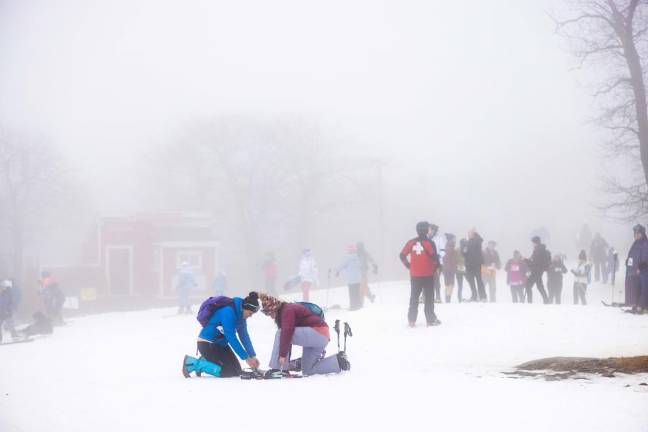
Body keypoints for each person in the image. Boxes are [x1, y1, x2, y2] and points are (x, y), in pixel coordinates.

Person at [259, 293, 349, 375]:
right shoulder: (286, 311)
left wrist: (282, 358)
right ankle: (338, 361)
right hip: (321, 337)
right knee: (307, 370)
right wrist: (284, 362)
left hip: (317, 332)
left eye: (270, 313)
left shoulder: (287, 310)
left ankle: (277, 370)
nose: (270, 317)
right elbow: (286, 340)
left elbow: (286, 334)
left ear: (275, 308)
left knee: (280, 333)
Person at [182, 292, 261, 378]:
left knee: (236, 371)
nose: (251, 316)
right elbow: (231, 337)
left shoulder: (241, 317)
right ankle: (192, 364)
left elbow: (244, 337)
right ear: (245, 308)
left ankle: (206, 359)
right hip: (207, 343)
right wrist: (246, 358)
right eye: (250, 313)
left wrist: (252, 356)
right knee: (227, 371)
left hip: (220, 345)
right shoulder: (228, 312)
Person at [400, 221, 441, 327]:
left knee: (414, 297)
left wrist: (409, 266)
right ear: (427, 230)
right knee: (429, 298)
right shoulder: (430, 243)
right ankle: (430, 319)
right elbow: (435, 259)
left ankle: (411, 320)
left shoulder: (411, 242)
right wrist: (434, 268)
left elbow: (402, 255)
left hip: (414, 275)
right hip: (428, 274)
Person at [625, 224, 648, 313]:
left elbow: (645, 256)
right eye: (635, 234)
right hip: (634, 271)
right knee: (634, 286)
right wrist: (628, 261)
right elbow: (631, 255)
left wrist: (642, 266)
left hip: (643, 270)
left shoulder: (645, 243)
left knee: (644, 287)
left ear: (642, 234)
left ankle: (642, 305)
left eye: (638, 233)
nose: (636, 235)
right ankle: (635, 303)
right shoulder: (635, 244)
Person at [336, 244, 364, 310]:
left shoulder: (347, 257)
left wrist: (337, 271)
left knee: (352, 293)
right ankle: (358, 305)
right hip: (357, 278)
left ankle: (353, 306)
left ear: (348, 250)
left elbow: (341, 265)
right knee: (357, 292)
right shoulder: (358, 257)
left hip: (351, 279)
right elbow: (361, 265)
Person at [524, 236, 550, 304]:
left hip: (536, 271)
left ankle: (530, 302)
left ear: (535, 242)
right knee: (539, 286)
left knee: (528, 285)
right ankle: (546, 301)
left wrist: (525, 260)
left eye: (533, 242)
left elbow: (534, 263)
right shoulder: (540, 249)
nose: (532, 244)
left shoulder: (538, 251)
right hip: (539, 271)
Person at [463, 228, 486, 302]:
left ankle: (483, 296)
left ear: (474, 234)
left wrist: (476, 233)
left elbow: (480, 240)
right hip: (469, 265)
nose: (468, 235)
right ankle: (474, 296)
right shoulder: (468, 242)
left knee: (479, 280)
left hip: (476, 264)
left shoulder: (477, 240)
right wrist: (464, 251)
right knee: (471, 281)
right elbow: (464, 254)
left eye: (470, 233)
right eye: (468, 233)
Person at [428, 224, 446, 303]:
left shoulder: (439, 239)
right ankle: (424, 296)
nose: (429, 231)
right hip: (427, 262)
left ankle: (438, 296)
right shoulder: (425, 238)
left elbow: (443, 251)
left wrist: (438, 256)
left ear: (434, 231)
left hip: (437, 263)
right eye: (429, 230)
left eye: (431, 230)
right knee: (426, 279)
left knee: (436, 279)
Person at [442, 234, 459, 303]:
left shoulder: (447, 246)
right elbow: (450, 258)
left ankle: (447, 298)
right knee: (451, 283)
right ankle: (448, 298)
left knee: (448, 283)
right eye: (454, 238)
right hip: (450, 268)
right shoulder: (451, 247)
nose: (455, 240)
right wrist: (453, 266)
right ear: (452, 239)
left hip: (446, 268)